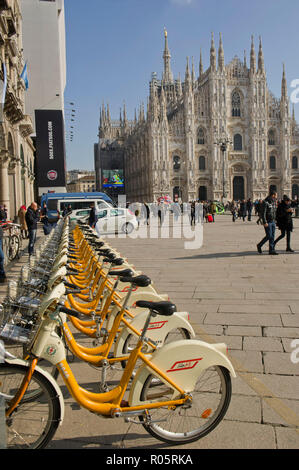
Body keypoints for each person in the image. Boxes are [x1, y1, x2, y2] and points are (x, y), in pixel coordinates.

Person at [257, 190, 278, 255]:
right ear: (273, 195)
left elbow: (274, 211)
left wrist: (275, 220)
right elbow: (263, 213)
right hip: (268, 222)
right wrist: (264, 222)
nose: (276, 196)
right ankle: (259, 245)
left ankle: (271, 250)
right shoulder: (265, 202)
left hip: (273, 221)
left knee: (272, 236)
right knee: (269, 235)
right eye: (276, 195)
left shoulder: (273, 202)